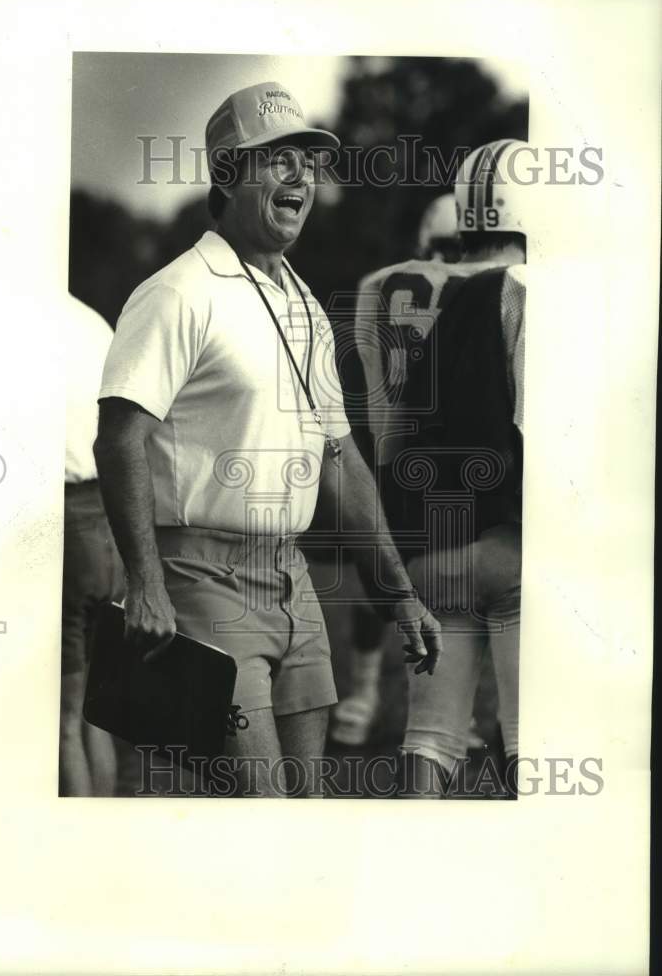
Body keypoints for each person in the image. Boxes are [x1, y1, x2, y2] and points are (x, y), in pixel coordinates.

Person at [94, 81, 441, 798]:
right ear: (227, 174)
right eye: (277, 159)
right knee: (258, 807)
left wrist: (398, 594)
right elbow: (119, 439)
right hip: (202, 579)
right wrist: (146, 585)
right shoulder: (177, 292)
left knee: (309, 805)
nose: (301, 179)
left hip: (294, 579)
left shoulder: (304, 301)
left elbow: (340, 461)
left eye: (308, 164)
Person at [337, 141, 526, 797]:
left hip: (412, 496)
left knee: (430, 735)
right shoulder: (511, 292)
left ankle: (361, 702)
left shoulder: (378, 286)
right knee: (529, 726)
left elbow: (379, 401)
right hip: (498, 521)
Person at [59, 293, 125, 797]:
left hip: (65, 520)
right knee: (95, 713)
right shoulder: (92, 322)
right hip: (107, 520)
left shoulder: (12, 327)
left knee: (63, 717)